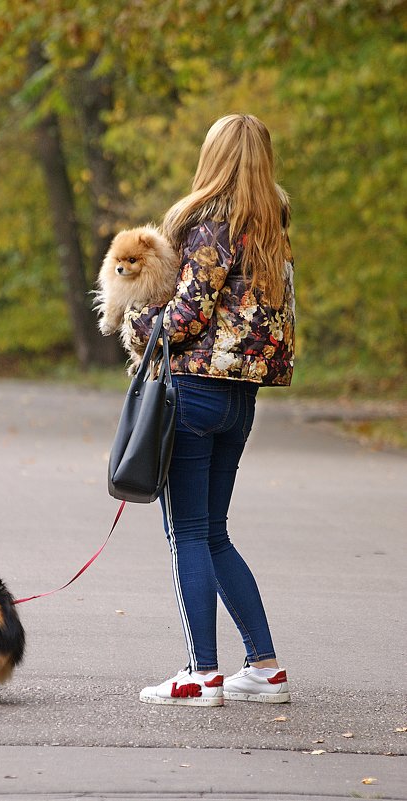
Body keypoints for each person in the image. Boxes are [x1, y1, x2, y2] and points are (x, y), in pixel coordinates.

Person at [123, 114, 295, 707]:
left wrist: (137, 322)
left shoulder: (208, 224)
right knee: (213, 531)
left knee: (189, 534)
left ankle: (200, 674)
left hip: (192, 392)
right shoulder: (272, 228)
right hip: (240, 400)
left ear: (213, 157)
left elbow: (188, 314)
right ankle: (265, 667)